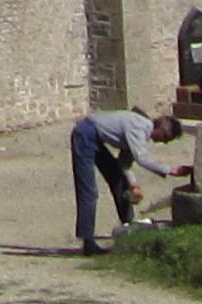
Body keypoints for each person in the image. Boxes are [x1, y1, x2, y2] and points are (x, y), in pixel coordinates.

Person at [70, 105, 181, 253]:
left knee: (118, 179)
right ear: (161, 128)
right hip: (85, 134)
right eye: (166, 137)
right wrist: (170, 170)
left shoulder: (141, 130)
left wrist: (133, 184)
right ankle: (88, 242)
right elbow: (141, 158)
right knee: (89, 192)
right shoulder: (141, 127)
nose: (164, 142)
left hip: (94, 136)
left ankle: (129, 225)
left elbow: (124, 162)